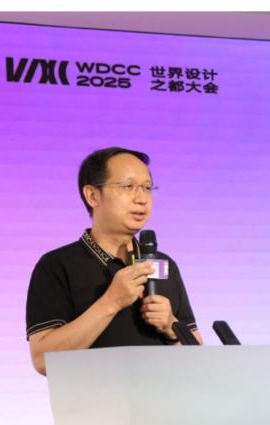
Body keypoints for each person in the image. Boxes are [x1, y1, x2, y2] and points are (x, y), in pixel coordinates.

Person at [26, 146, 202, 375]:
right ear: (92, 195)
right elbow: (42, 360)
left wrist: (170, 325)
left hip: (163, 396)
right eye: (128, 187)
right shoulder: (57, 265)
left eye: (147, 188)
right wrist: (110, 303)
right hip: (95, 397)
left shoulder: (163, 263)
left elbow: (199, 356)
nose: (142, 199)